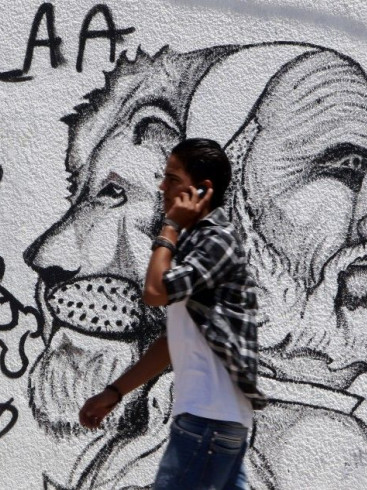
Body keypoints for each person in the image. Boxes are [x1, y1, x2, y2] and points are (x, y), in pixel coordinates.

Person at [78, 138, 265, 490]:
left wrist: (169, 229)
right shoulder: (201, 244)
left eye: (172, 178)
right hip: (213, 421)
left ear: (202, 189)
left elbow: (154, 292)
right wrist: (115, 393)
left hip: (207, 423)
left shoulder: (215, 242)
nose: (162, 187)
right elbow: (173, 342)